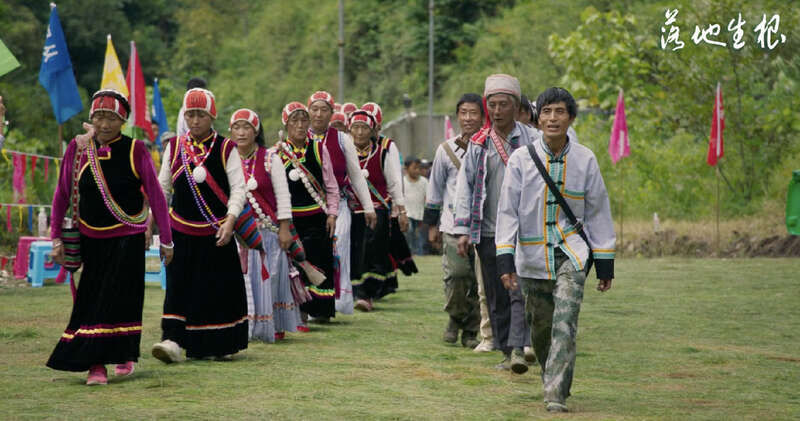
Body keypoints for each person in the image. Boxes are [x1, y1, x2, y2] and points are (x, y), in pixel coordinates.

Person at [496, 87, 615, 413]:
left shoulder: (586, 159)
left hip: (572, 254)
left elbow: (598, 211)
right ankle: (552, 376)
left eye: (559, 112)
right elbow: (507, 211)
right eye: (546, 112)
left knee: (565, 323)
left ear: (570, 118)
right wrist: (505, 257)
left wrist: (604, 262)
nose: (552, 118)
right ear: (538, 118)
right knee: (542, 328)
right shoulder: (521, 160)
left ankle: (555, 394)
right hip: (532, 258)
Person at [47, 89, 173, 385]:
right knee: (94, 301)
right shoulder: (77, 150)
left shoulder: (136, 149)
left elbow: (156, 196)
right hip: (91, 239)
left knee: (124, 300)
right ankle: (96, 364)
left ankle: (124, 353)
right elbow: (61, 195)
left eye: (112, 118)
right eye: (99, 117)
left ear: (123, 120)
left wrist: (166, 240)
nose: (105, 124)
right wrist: (56, 239)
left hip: (128, 239)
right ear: (91, 118)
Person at [152, 87, 249, 362]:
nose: (195, 121)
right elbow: (162, 190)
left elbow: (238, 189)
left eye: (201, 115)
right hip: (180, 231)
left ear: (212, 117)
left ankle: (214, 344)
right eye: (190, 114)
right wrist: (154, 224)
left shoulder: (225, 147)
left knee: (214, 290)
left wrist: (230, 221)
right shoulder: (174, 147)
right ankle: (171, 340)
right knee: (178, 287)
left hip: (216, 232)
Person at [453, 74, 535, 374]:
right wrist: (462, 230)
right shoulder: (478, 144)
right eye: (493, 105)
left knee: (522, 290)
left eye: (503, 104)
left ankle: (522, 345)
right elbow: (466, 186)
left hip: (526, 231)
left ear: (516, 106)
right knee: (496, 293)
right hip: (488, 230)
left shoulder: (533, 140)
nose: (497, 110)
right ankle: (507, 349)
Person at [229, 108, 296, 342]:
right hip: (238, 231)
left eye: (246, 127)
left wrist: (285, 228)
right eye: (236, 127)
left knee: (272, 276)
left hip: (267, 230)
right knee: (242, 279)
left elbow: (283, 195)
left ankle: (274, 323)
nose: (241, 132)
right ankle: (245, 324)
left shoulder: (270, 158)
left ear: (255, 131)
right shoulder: (227, 158)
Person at [307, 91, 375, 316]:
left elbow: (356, 175)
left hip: (339, 204)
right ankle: (306, 302)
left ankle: (338, 300)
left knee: (340, 247)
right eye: (314, 109)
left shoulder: (342, 139)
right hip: (307, 207)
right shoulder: (298, 137)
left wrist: (368, 206)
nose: (318, 114)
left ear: (331, 113)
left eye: (324, 110)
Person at [424, 93, 483, 348]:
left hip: (483, 226)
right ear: (458, 116)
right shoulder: (445, 150)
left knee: (479, 282)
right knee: (458, 276)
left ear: (483, 116)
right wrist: (431, 225)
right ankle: (455, 317)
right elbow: (435, 188)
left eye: (474, 113)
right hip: (450, 224)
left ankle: (471, 330)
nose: (468, 118)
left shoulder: (490, 147)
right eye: (464, 113)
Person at [276, 101, 340, 326]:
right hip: (290, 221)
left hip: (317, 218)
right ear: (286, 124)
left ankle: (321, 310)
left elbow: (331, 186)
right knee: (295, 266)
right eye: (295, 120)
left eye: (304, 120)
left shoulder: (318, 148)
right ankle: (299, 313)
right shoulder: (277, 153)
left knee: (319, 261)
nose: (301, 125)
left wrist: (332, 214)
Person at [348, 110, 408, 312]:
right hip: (351, 209)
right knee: (355, 251)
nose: (359, 132)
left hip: (377, 208)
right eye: (355, 127)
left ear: (372, 130)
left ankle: (367, 294)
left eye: (364, 128)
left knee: (373, 250)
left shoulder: (383, 150)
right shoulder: (344, 151)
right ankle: (355, 292)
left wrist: (400, 210)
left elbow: (394, 182)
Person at [403, 156, 427, 256]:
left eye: (419, 168)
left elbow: (427, 197)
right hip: (407, 213)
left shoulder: (424, 182)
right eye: (414, 168)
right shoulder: (402, 181)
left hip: (420, 214)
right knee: (409, 231)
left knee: (418, 236)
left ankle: (419, 255)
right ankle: (409, 253)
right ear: (407, 168)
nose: (417, 171)